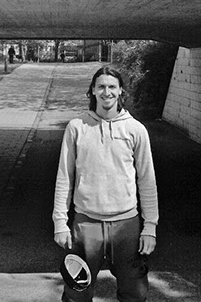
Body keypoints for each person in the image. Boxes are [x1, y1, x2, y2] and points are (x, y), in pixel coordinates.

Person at [53, 66, 158, 302]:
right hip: (86, 225)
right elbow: (64, 177)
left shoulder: (135, 129)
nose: (106, 92)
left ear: (121, 91)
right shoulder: (76, 127)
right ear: (92, 90)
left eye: (112, 87)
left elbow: (147, 181)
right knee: (76, 294)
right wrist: (60, 222)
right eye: (101, 86)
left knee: (135, 294)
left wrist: (150, 227)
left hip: (127, 226)